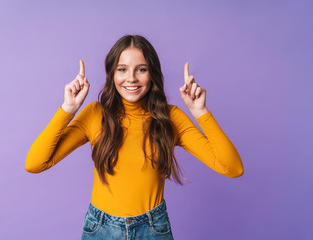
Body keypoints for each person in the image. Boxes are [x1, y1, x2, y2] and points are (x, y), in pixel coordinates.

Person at [25, 35, 244, 239]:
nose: (131, 78)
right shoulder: (94, 114)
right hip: (101, 229)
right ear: (112, 74)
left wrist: (201, 113)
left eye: (141, 69)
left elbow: (232, 168)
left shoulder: (171, 118)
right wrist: (68, 109)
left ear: (152, 74)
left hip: (152, 229)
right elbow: (35, 163)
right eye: (122, 69)